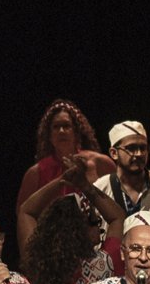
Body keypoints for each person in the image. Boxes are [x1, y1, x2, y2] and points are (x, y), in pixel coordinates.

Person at [15, 98, 109, 253]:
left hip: (95, 247)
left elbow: (116, 208)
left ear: (77, 131)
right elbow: (23, 217)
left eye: (66, 126)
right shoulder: (35, 173)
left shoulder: (101, 163)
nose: (61, 131)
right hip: (52, 251)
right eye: (56, 127)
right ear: (49, 134)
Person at [92, 121, 150, 236]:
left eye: (143, 148)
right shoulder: (99, 188)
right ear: (114, 153)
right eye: (131, 148)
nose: (139, 154)